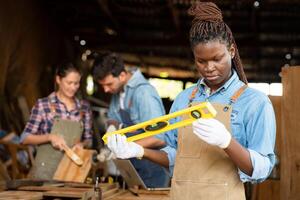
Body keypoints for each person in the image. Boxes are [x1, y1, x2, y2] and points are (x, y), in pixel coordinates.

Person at [106, 2, 276, 199]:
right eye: (201, 61)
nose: (209, 67)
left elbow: (262, 169)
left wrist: (227, 142)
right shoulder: (185, 99)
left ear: (231, 51)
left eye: (217, 58)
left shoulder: (254, 102)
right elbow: (173, 156)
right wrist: (138, 150)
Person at [92, 52, 169, 188]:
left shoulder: (144, 93)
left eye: (109, 84)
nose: (105, 90)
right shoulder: (119, 92)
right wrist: (111, 128)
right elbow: (112, 118)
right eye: (102, 85)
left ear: (122, 75)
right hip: (134, 165)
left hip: (152, 167)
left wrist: (128, 148)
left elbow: (159, 137)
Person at [21, 62, 93, 179]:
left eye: (76, 83)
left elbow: (88, 139)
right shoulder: (43, 105)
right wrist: (49, 137)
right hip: (45, 173)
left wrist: (81, 144)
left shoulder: (83, 108)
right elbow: (25, 138)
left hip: (72, 172)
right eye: (69, 83)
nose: (73, 87)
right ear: (58, 80)